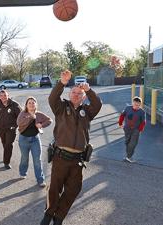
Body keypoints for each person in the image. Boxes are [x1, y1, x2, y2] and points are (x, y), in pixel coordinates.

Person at [41, 70, 102, 225]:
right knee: (54, 188)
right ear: (69, 95)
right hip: (60, 156)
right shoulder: (60, 108)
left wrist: (89, 90)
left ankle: (59, 217)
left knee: (73, 189)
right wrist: (62, 82)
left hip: (77, 160)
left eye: (79, 93)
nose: (76, 95)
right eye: (73, 92)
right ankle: (48, 215)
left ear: (83, 97)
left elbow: (98, 104)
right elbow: (53, 97)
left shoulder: (87, 111)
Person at [17, 96, 52, 187]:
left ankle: (40, 180)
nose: (32, 104)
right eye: (30, 103)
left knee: (37, 160)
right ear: (26, 105)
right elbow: (19, 123)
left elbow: (49, 120)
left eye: (33, 103)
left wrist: (41, 124)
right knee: (25, 158)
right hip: (23, 139)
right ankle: (23, 172)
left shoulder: (39, 114)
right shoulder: (23, 114)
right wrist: (30, 117)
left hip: (35, 139)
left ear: (36, 104)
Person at [0, 90, 22, 169]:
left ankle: (6, 162)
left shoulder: (15, 105)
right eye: (1, 95)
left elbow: (21, 116)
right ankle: (7, 155)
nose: (3, 97)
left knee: (8, 144)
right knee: (4, 143)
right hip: (1, 128)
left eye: (5, 95)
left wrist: (19, 126)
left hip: (11, 129)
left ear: (8, 95)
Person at [118, 96, 146, 163]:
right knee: (127, 142)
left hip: (136, 130)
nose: (137, 106)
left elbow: (143, 122)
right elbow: (122, 115)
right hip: (127, 129)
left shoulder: (142, 112)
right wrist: (120, 123)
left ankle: (129, 157)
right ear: (133, 103)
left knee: (133, 143)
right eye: (136, 105)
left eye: (139, 105)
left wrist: (140, 129)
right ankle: (128, 155)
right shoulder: (128, 108)